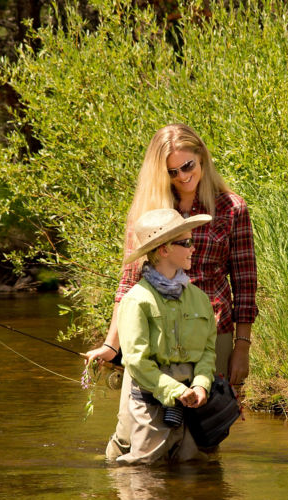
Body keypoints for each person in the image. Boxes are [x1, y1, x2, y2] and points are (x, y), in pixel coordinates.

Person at [86, 124, 258, 459]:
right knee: (133, 427)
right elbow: (127, 284)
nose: (182, 176)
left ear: (202, 159)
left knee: (203, 433)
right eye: (172, 171)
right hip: (152, 332)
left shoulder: (232, 208)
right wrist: (111, 345)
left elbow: (245, 283)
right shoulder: (147, 211)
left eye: (188, 166)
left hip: (212, 333)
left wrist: (242, 346)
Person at [112, 208, 216, 465]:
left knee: (194, 479)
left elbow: (207, 352)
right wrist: (175, 390)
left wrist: (201, 384)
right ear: (164, 250)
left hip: (193, 410)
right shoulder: (136, 301)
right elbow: (136, 362)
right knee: (144, 482)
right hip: (150, 408)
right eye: (187, 243)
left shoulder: (200, 299)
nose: (193, 248)